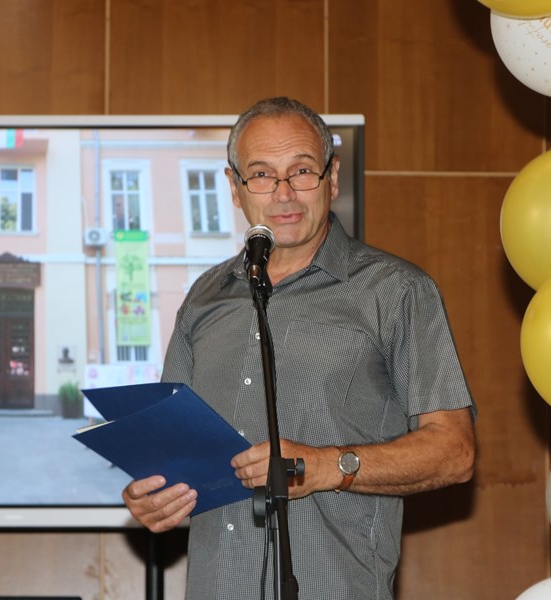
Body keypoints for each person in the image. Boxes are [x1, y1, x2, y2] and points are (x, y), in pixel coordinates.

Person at [122, 96, 477, 599]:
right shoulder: (203, 297)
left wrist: (328, 466)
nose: (284, 193)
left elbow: (454, 451)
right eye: (261, 175)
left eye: (302, 171)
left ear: (332, 178)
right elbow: (171, 451)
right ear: (235, 188)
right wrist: (151, 495)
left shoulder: (395, 290)